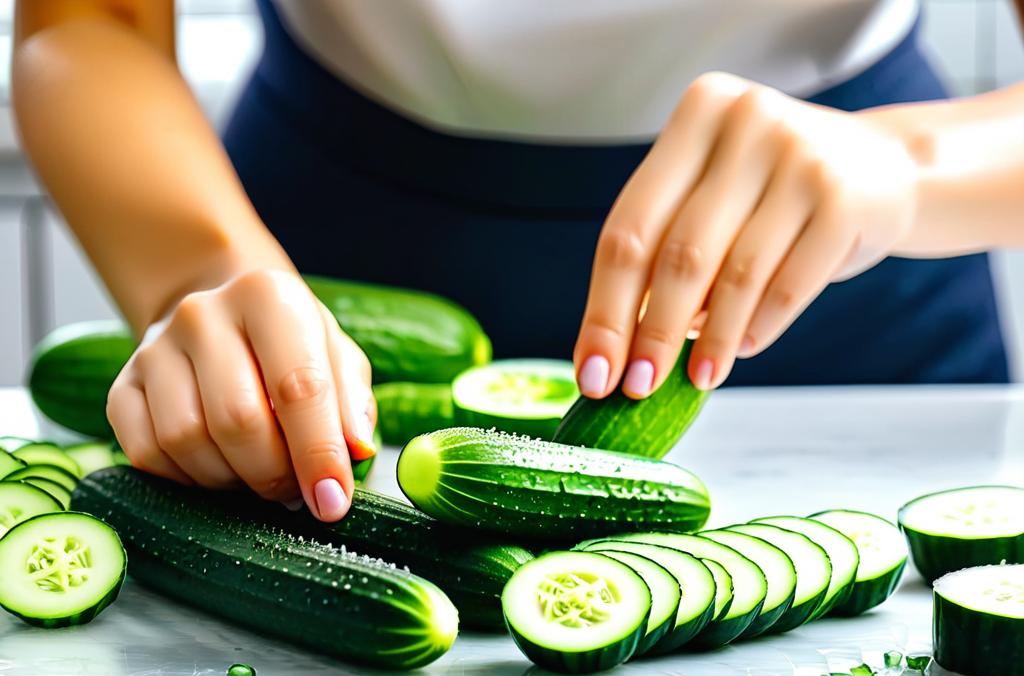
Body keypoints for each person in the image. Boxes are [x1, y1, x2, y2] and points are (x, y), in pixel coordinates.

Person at [14, 1, 1024, 522]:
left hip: (849, 264)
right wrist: (199, 269)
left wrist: (909, 166)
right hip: (319, 252)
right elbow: (87, 21)